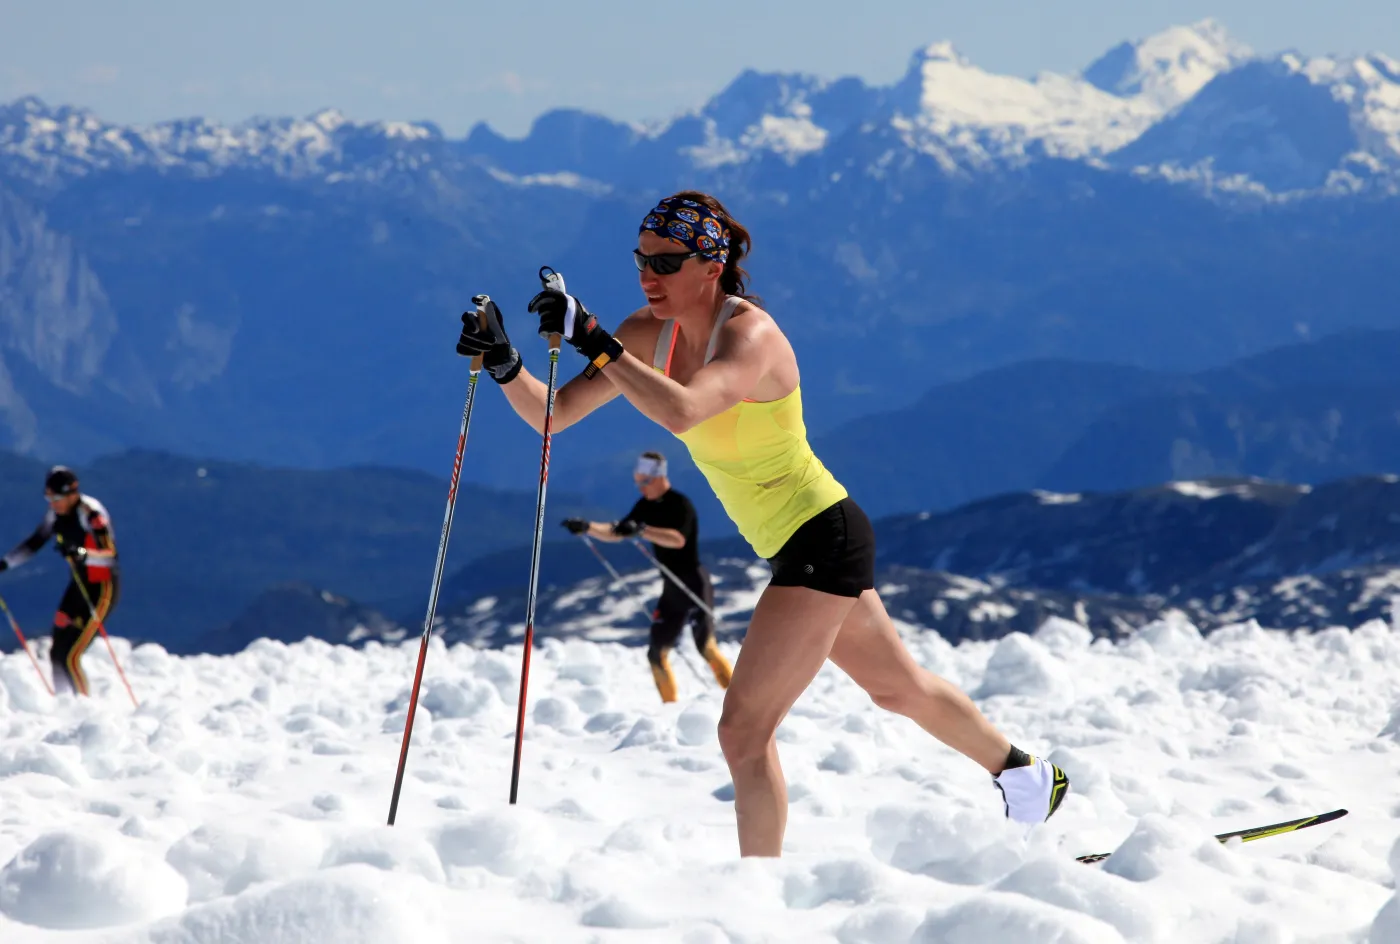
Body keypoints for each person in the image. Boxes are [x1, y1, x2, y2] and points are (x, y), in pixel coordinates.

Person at [455, 191, 1069, 856]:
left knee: (743, 733)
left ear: (710, 267)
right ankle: (1026, 776)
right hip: (797, 541)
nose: (647, 274)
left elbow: (687, 411)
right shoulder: (643, 337)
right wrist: (505, 362)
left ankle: (761, 902)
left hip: (821, 536)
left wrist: (597, 342)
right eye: (641, 258)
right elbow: (554, 415)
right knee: (899, 689)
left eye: (665, 260)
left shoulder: (750, 336)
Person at [562, 450, 733, 702]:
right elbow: (619, 531)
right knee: (656, 652)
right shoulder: (644, 506)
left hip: (693, 582)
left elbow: (677, 539)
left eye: (644, 482)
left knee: (706, 647)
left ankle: (738, 701)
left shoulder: (679, 504)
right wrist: (589, 527)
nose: (640, 488)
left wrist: (643, 530)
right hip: (672, 588)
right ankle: (670, 706)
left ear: (659, 478)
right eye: (637, 482)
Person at [0, 466, 119, 696]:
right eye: (48, 498)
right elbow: (35, 542)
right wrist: (5, 563)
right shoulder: (55, 513)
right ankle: (64, 703)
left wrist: (82, 553)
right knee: (57, 652)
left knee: (71, 655)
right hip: (79, 584)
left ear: (72, 494)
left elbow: (110, 557)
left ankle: (85, 707)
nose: (52, 503)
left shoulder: (92, 514)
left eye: (56, 498)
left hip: (102, 587)